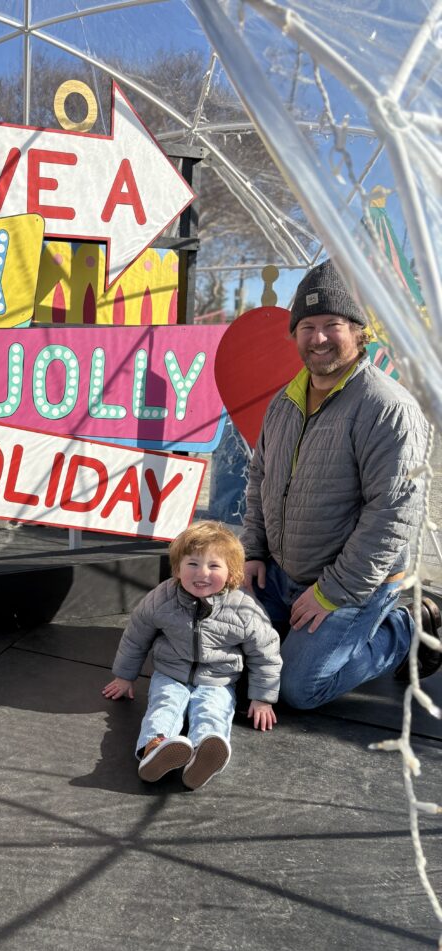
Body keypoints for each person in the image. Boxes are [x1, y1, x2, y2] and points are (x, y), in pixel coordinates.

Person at [241, 259, 442, 710]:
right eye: (307, 326)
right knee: (229, 653)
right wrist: (253, 552)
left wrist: (334, 592)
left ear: (358, 331)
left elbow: (394, 515)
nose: (318, 338)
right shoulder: (284, 402)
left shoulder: (387, 408)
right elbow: (259, 479)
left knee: (296, 687)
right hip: (281, 572)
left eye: (332, 324)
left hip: (357, 581)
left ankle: (407, 626)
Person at [103, 521, 281, 790]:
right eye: (193, 564)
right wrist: (124, 677)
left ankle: (204, 753)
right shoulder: (161, 598)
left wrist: (262, 697)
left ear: (232, 572)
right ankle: (154, 748)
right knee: (164, 706)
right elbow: (136, 636)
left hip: (218, 679)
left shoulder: (244, 609)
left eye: (214, 566)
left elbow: (265, 652)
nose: (202, 573)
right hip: (170, 673)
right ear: (177, 568)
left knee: (213, 710)